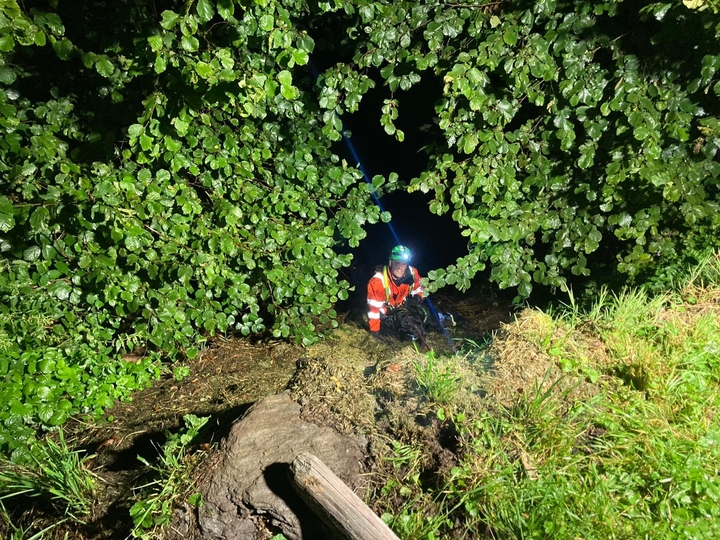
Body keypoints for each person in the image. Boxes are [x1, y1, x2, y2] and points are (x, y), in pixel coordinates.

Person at [367, 245, 453, 341]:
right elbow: (374, 311)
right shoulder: (378, 282)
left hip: (406, 307)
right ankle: (410, 335)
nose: (400, 267)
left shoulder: (412, 273)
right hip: (388, 314)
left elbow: (422, 289)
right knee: (400, 326)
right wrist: (375, 332)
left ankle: (443, 319)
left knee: (427, 311)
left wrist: (417, 298)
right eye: (397, 263)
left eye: (403, 264)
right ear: (390, 262)